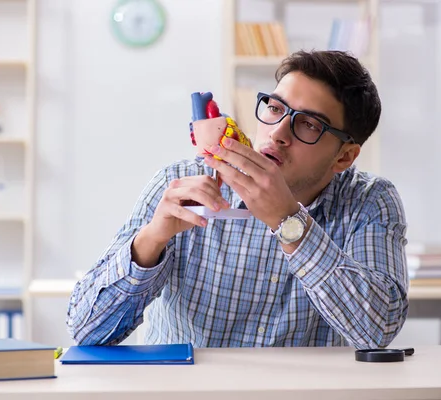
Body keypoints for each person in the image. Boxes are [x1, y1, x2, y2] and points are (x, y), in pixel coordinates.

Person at [66, 50, 408, 349]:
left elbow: (377, 332)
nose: (277, 133)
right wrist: (151, 241)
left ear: (344, 157)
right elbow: (85, 330)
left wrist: (288, 222)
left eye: (308, 125)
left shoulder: (369, 201)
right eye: (275, 108)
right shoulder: (181, 184)